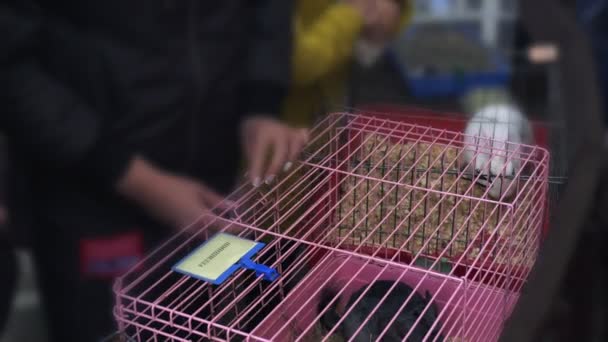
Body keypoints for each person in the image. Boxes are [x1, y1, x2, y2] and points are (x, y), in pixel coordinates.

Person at [0, 1, 306, 341]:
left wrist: (261, 104)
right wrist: (140, 181)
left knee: (207, 322)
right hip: (92, 195)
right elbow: (11, 66)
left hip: (210, 184)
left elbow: (269, 12)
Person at [282, 0, 413, 127]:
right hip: (282, 125)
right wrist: (352, 14)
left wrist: (393, 8)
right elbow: (293, 63)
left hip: (334, 112)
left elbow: (393, 13)